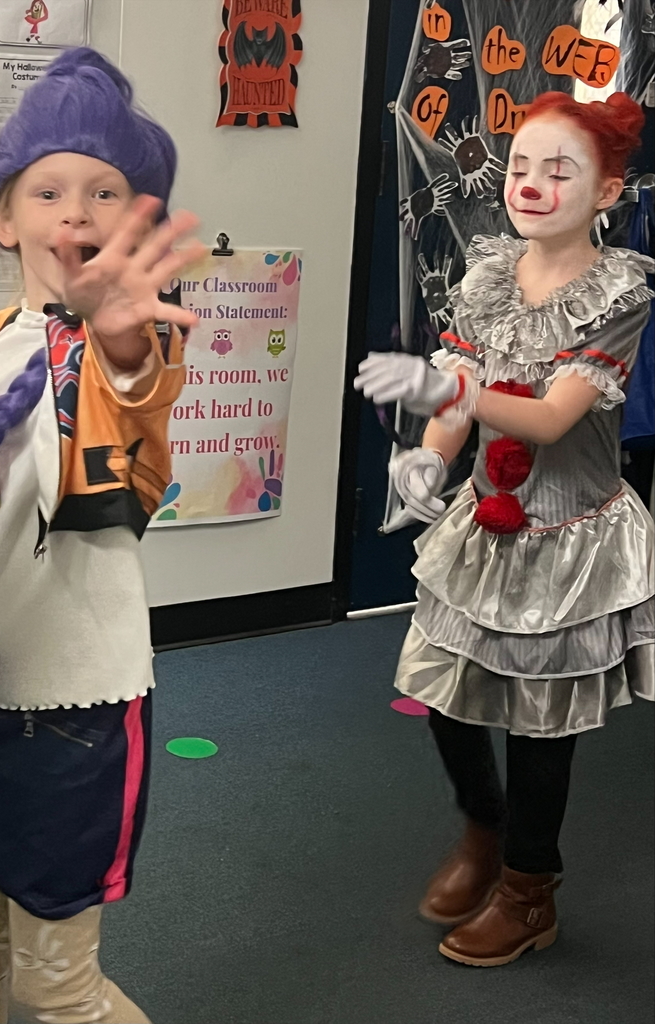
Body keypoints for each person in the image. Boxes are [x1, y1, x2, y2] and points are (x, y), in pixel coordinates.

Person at [0, 48, 204, 1023]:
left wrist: (116, 333)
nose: (75, 212)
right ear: (3, 216)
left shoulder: (139, 339)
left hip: (74, 702)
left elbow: (132, 428)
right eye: (49, 190)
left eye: (103, 192)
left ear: (136, 223)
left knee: (54, 984)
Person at [355, 91, 653, 967]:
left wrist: (446, 392)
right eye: (519, 165)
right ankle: (483, 830)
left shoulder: (619, 295)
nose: (528, 183)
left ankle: (529, 890)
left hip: (570, 538)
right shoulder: (486, 274)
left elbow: (552, 418)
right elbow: (461, 390)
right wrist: (429, 457)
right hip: (484, 523)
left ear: (605, 192)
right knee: (442, 689)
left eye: (557, 170)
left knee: (538, 725)